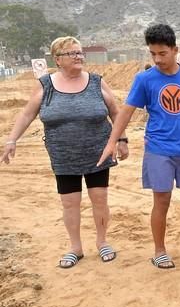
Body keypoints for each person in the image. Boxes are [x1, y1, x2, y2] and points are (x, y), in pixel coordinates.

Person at [97, 24, 180, 269]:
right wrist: (113, 140)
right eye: (152, 54)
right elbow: (126, 111)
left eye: (162, 53)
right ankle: (159, 250)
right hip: (158, 149)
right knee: (162, 199)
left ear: (175, 50)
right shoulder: (144, 79)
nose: (157, 59)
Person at [1, 36, 126, 268]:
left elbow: (116, 112)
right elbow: (27, 114)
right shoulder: (45, 84)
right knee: (70, 203)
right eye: (72, 53)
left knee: (99, 199)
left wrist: (121, 139)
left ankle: (102, 242)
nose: (79, 57)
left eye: (80, 53)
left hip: (97, 152)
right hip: (63, 155)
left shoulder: (97, 82)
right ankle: (75, 248)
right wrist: (12, 140)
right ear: (58, 59)